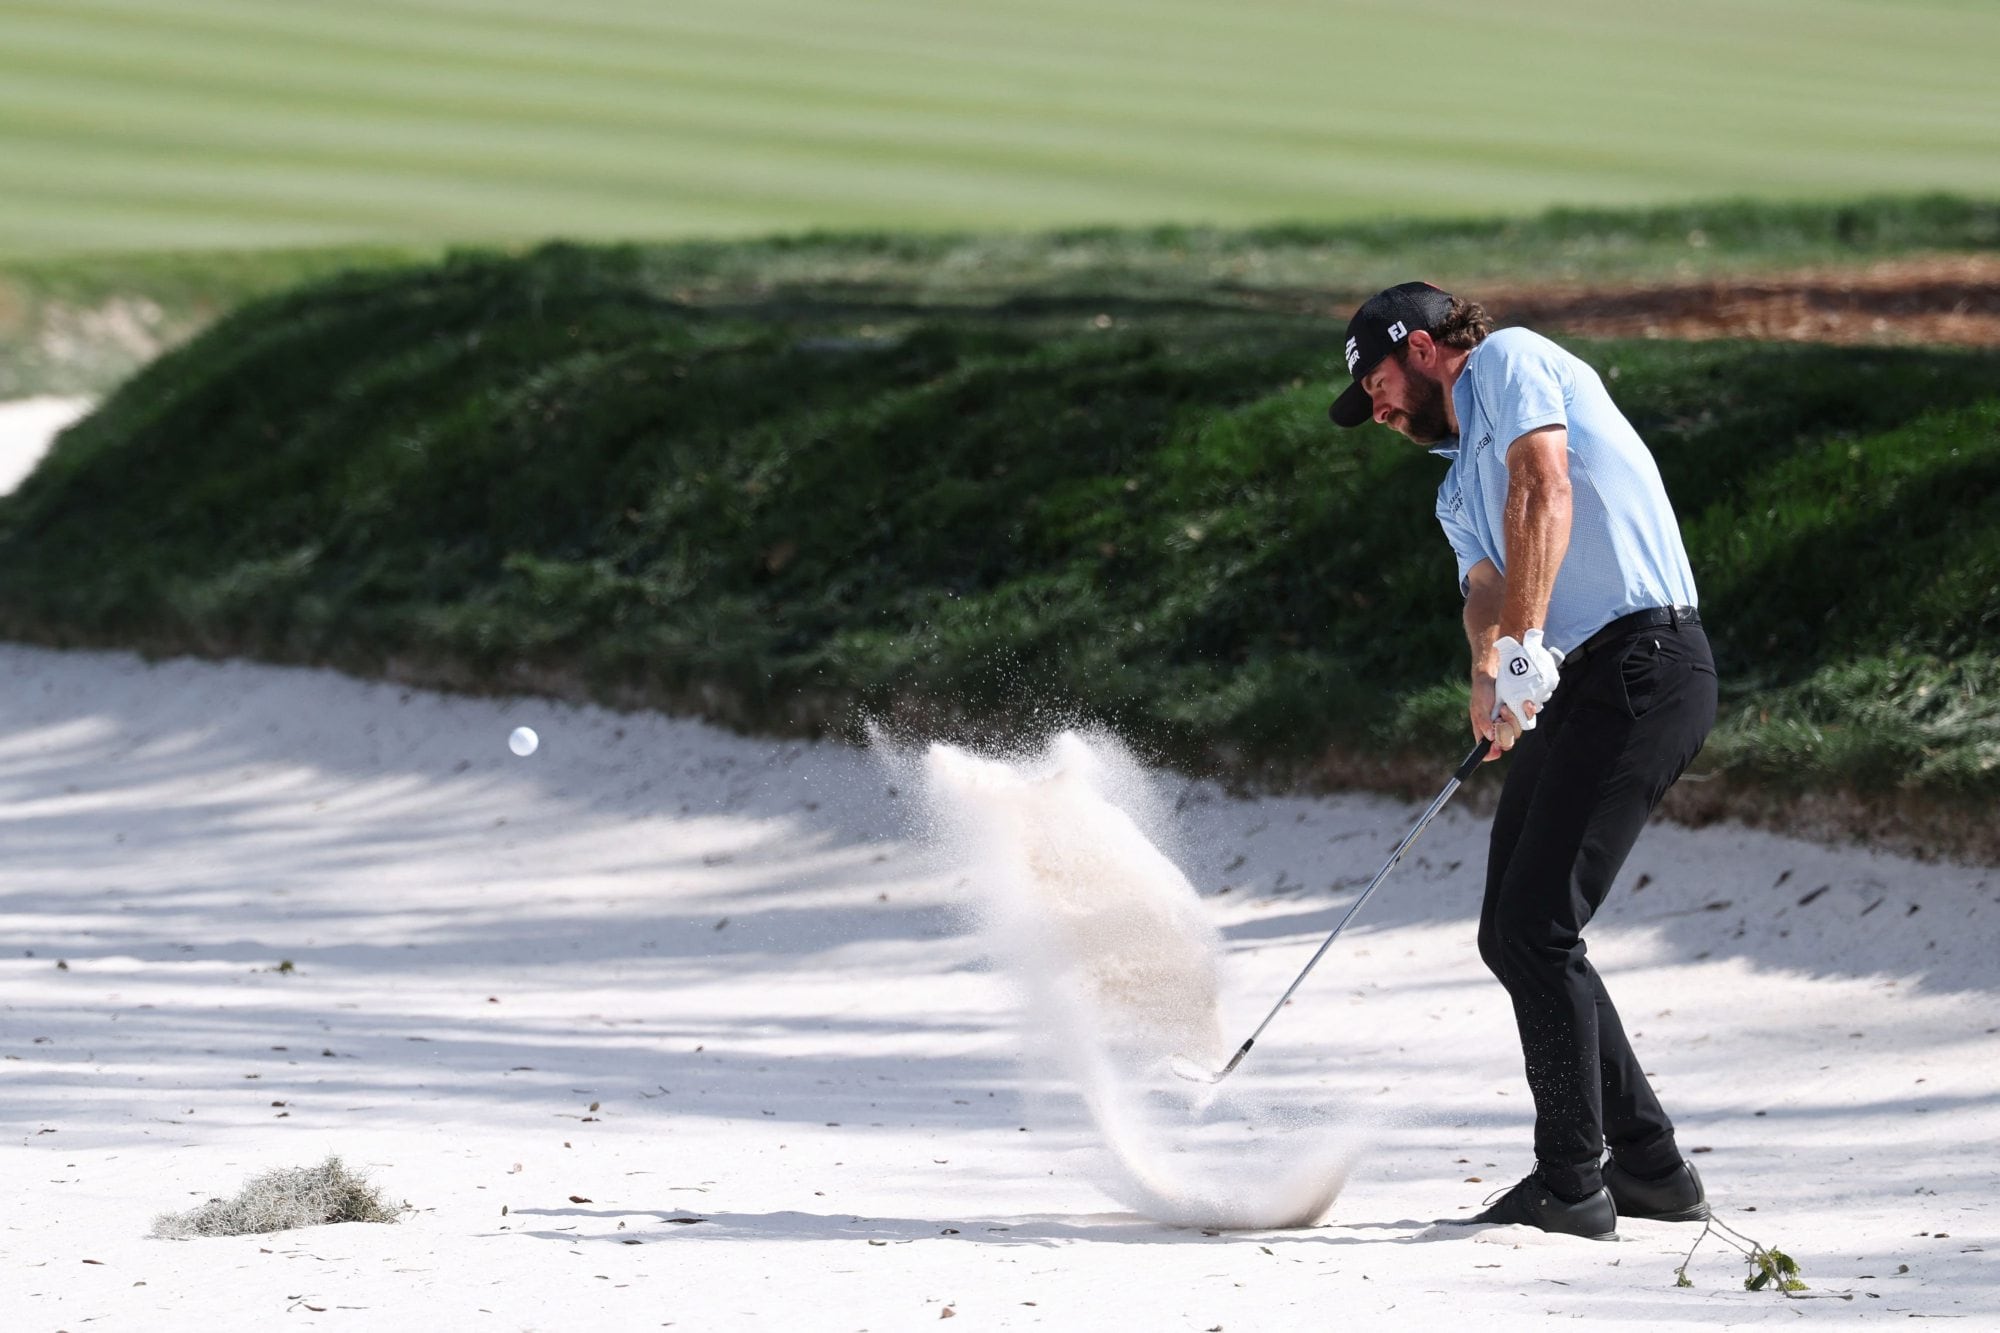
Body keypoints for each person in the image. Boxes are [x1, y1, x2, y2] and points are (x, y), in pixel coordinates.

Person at [1327, 282, 1719, 1240]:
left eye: (1375, 384)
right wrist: (1489, 670)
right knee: (1513, 932)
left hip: (1645, 661)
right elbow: (1485, 586)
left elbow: (1543, 485)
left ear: (1421, 350)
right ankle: (1652, 1167)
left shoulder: (1508, 362)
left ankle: (1571, 1182)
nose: (1374, 410)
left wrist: (1526, 642)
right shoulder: (1452, 480)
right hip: (1577, 682)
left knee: (1541, 924)